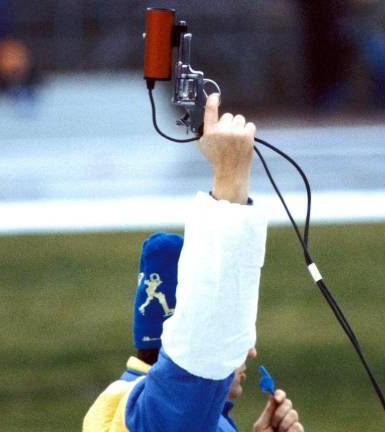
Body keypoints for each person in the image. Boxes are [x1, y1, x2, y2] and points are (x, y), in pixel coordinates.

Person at [83, 94, 304, 431]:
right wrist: (231, 176)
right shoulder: (163, 418)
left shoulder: (144, 413)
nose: (250, 351)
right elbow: (210, 330)